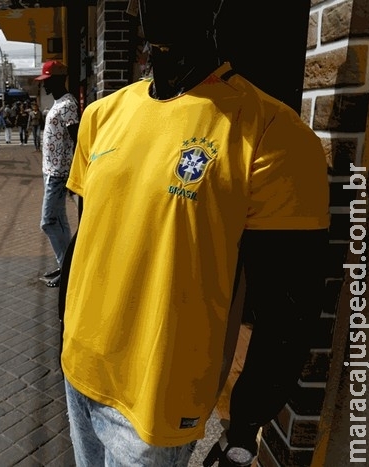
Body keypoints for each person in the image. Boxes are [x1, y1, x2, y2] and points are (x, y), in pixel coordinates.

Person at [58, 1, 330, 466]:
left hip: (155, 403)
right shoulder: (101, 117)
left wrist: (245, 427)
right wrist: (64, 333)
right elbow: (87, 240)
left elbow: (290, 309)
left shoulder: (272, 132)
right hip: (78, 373)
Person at [35, 60, 79, 288]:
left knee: (49, 222)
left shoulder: (68, 104)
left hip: (59, 173)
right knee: (58, 220)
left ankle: (68, 269)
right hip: (50, 172)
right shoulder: (59, 103)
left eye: (47, 80)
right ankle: (66, 267)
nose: (44, 85)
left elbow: (77, 139)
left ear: (58, 79)